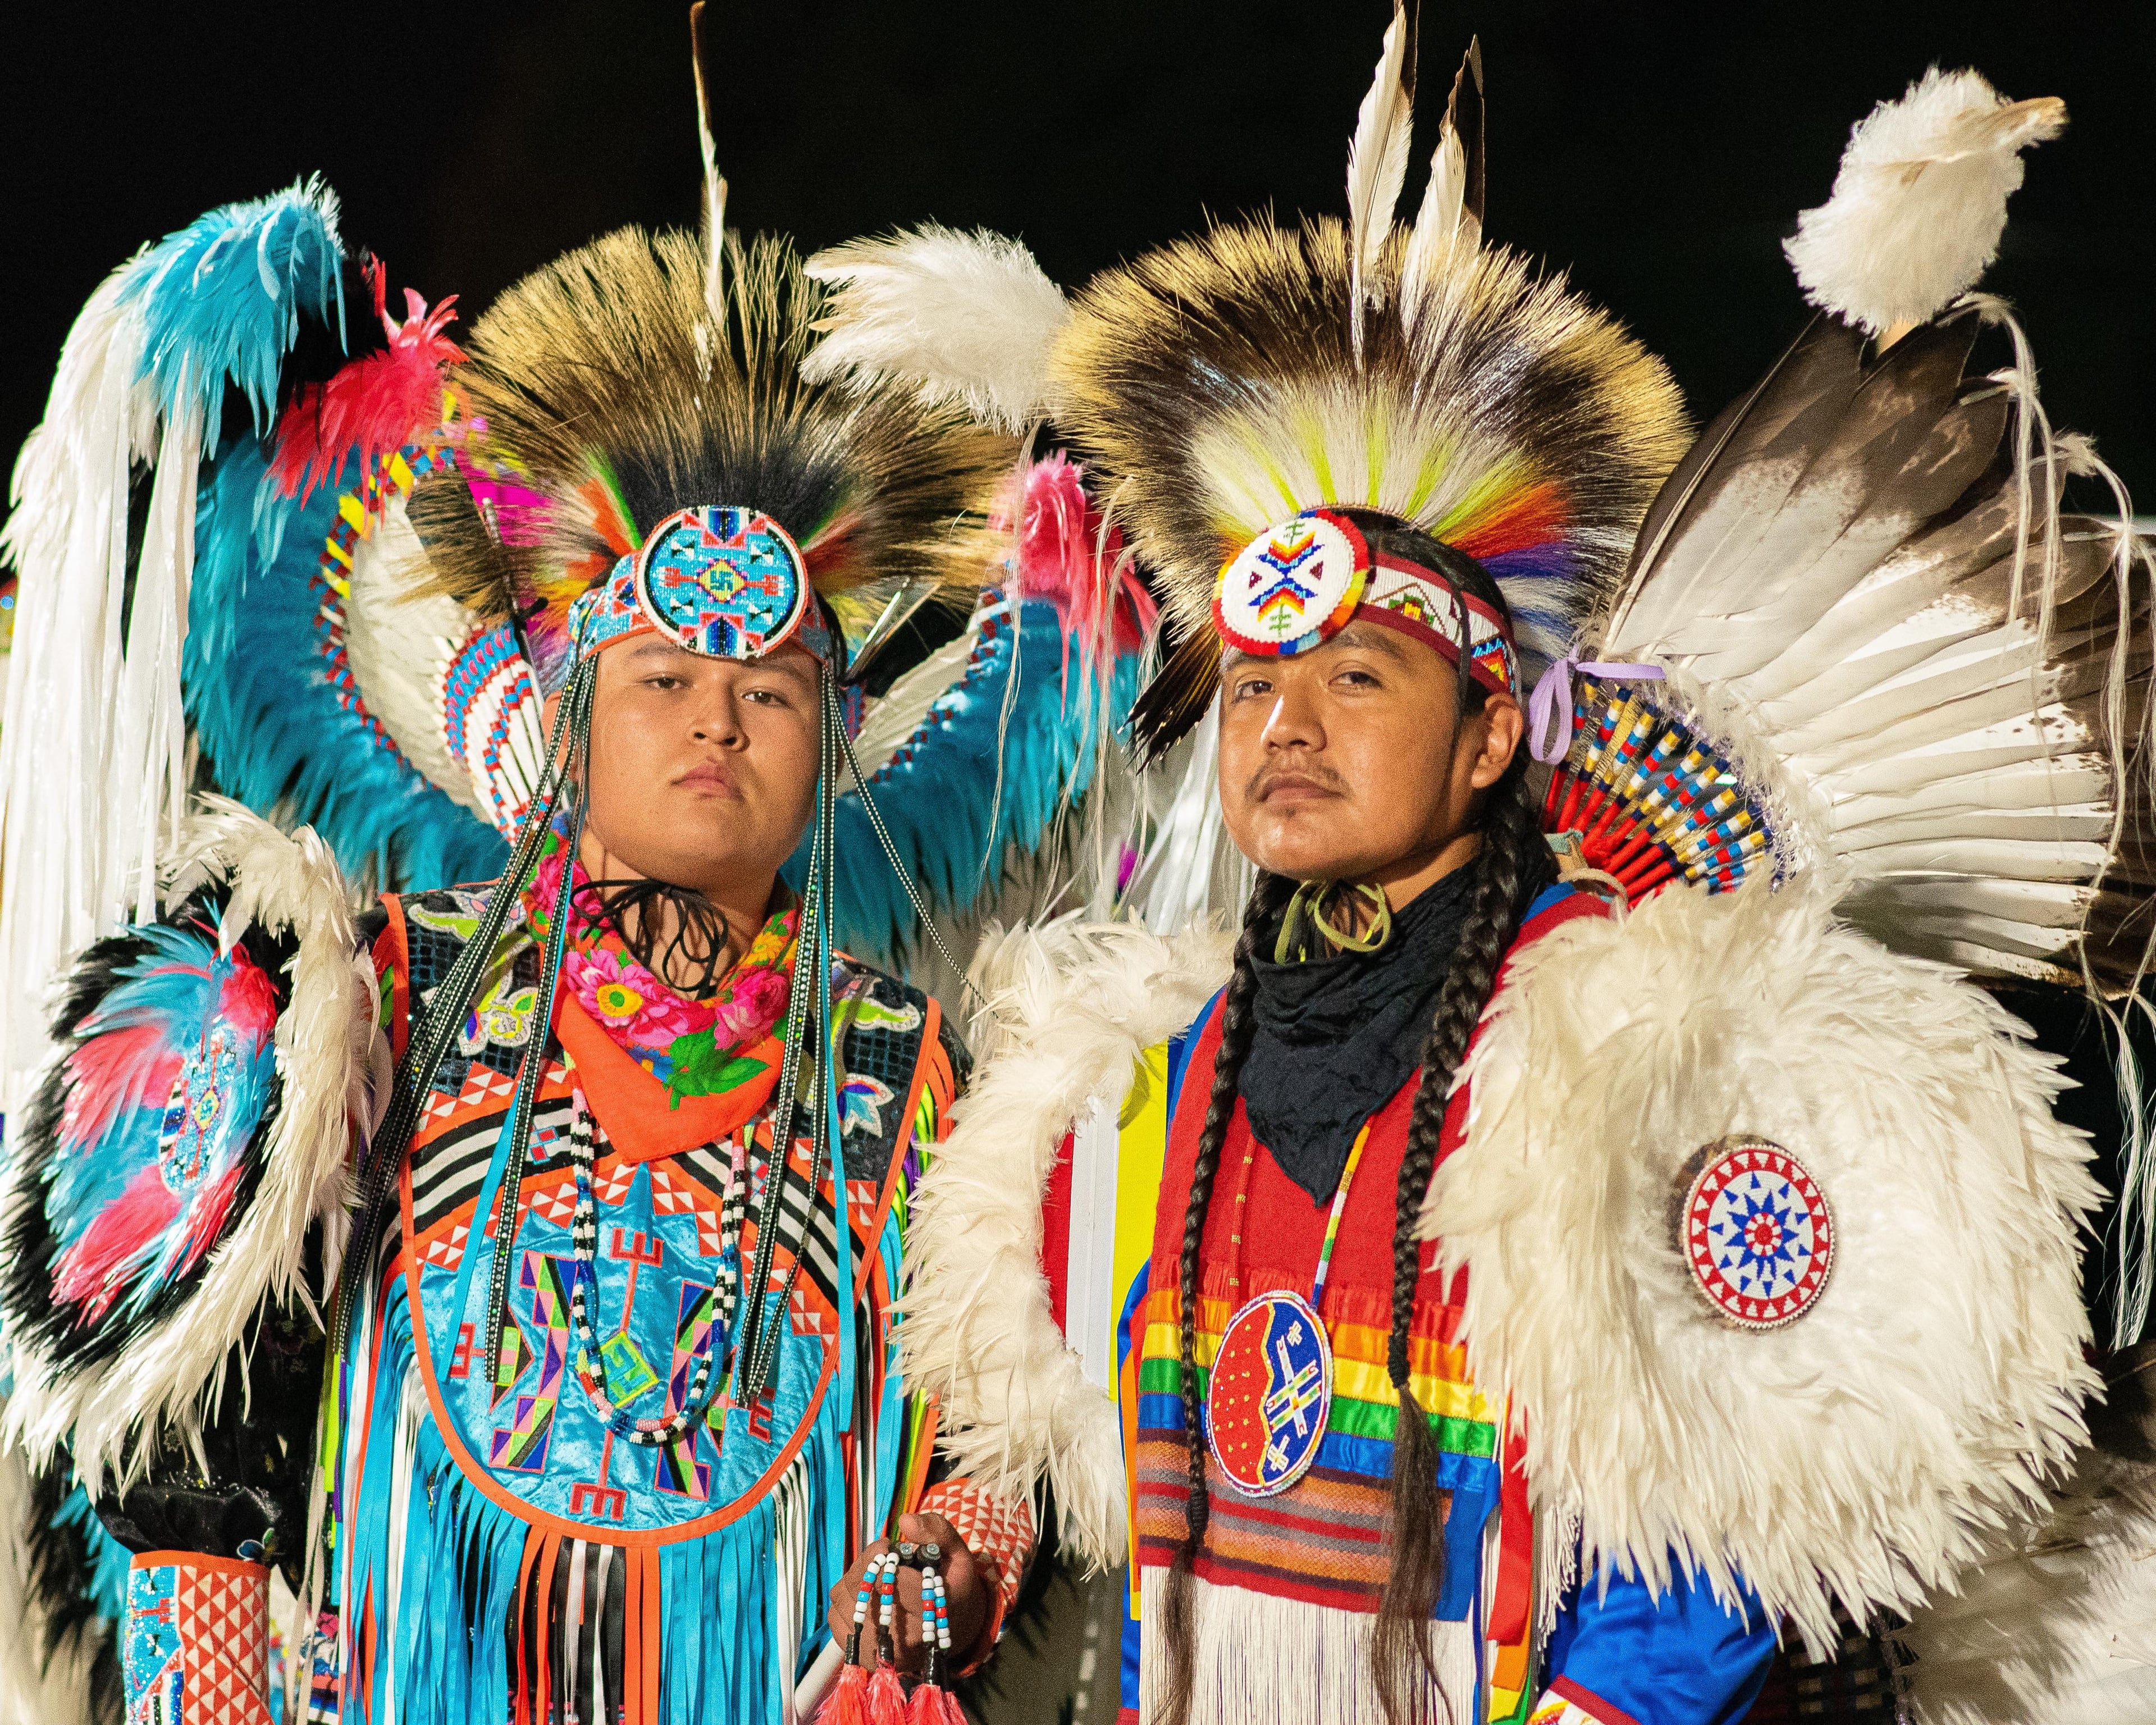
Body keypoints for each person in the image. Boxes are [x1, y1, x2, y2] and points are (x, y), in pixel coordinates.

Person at [806, 13, 2149, 1724]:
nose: (1286, 728)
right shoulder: (1130, 1094)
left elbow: (1734, 1530)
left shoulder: (1642, 1066)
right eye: (1261, 688)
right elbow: (1071, 1448)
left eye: (1357, 681)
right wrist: (957, 1562)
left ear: (1492, 733)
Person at [0, 26, 1085, 1722]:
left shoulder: (927, 1076)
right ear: (570, 722)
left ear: (831, 743)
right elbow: (187, 1447)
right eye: (663, 680)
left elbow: (996, 1436)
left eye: (771, 691)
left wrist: (952, 1567)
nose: (715, 722)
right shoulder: (352, 1005)